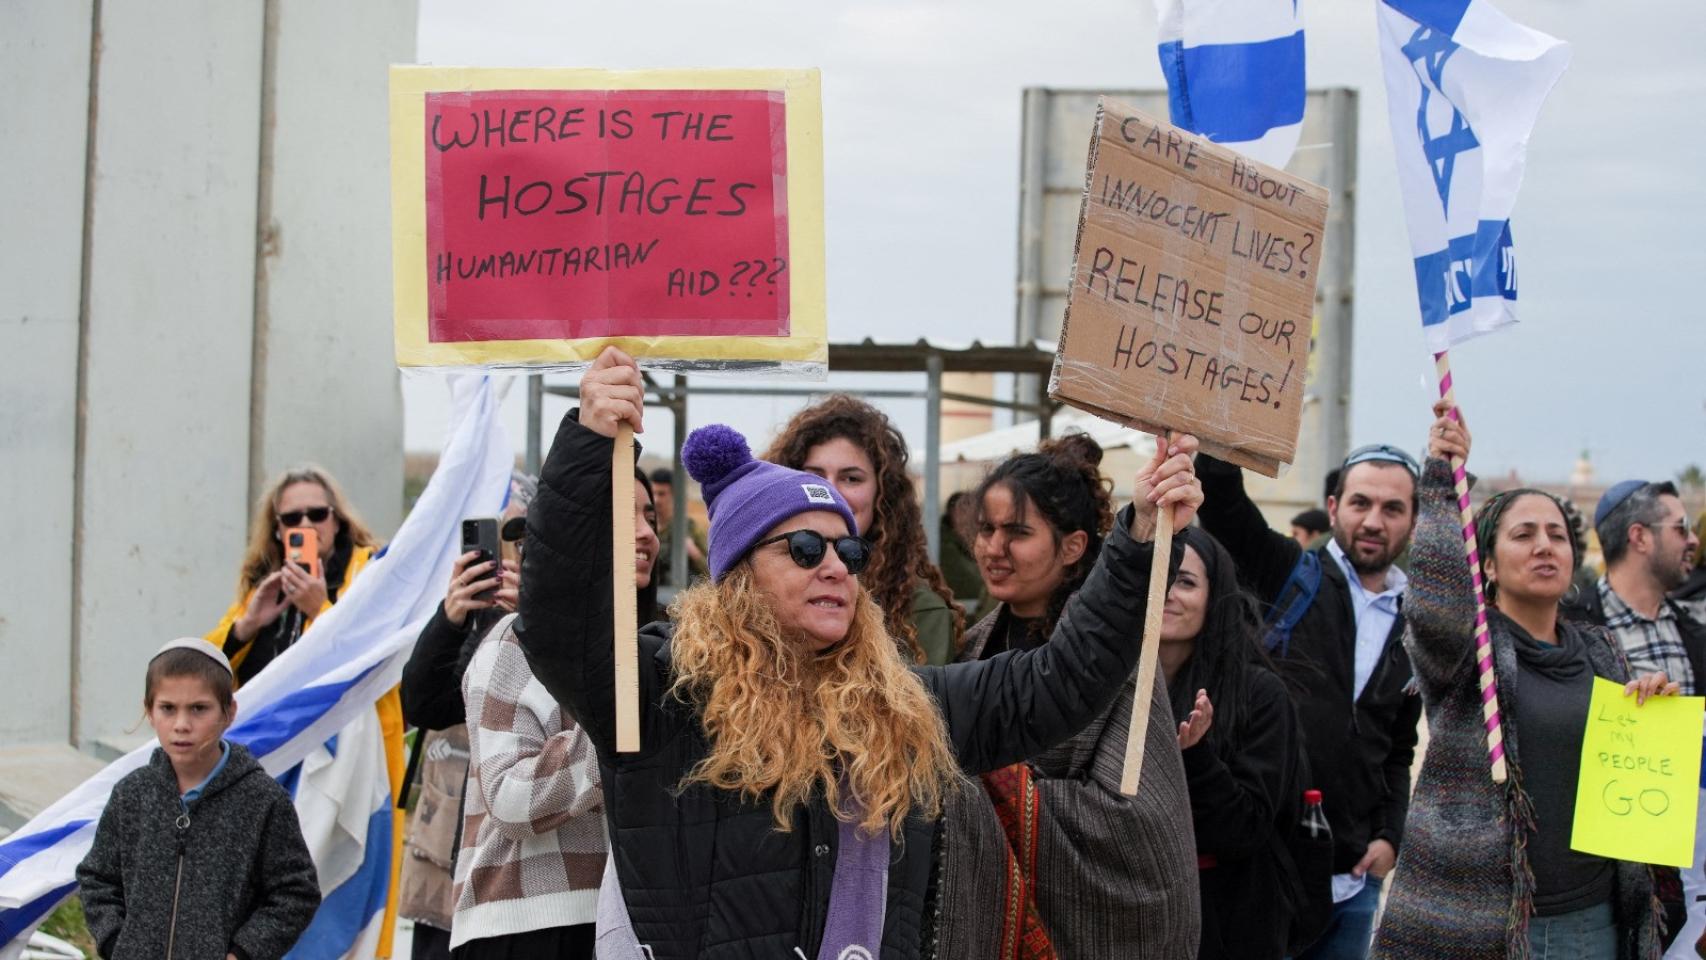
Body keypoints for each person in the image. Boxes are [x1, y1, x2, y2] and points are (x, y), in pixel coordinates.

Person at [514, 347, 1203, 960]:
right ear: (740, 577)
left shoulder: (903, 708)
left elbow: (1060, 681)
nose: (837, 568)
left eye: (847, 550)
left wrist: (1140, 538)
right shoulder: (663, 694)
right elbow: (558, 621)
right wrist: (590, 440)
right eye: (806, 549)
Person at [1372, 403, 1669, 959]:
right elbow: (1433, 603)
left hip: (1598, 924)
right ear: (1485, 564)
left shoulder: (1603, 651)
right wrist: (1442, 476)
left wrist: (1649, 709)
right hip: (1487, 929)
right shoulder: (1468, 651)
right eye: (1523, 534)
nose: (1544, 546)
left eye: (1557, 535)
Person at [940, 433, 1201, 957]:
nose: (993, 548)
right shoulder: (968, 647)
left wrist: (995, 788)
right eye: (986, 530)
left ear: (1073, 546)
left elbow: (1136, 822)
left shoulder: (1120, 663)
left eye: (1017, 532)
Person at [1197, 444, 1424, 960]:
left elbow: (1398, 748)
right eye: (1360, 503)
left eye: (1392, 509)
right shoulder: (1291, 575)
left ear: (1413, 522)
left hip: (1356, 883)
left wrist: (1390, 835)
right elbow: (1226, 505)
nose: (1373, 520)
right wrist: (1218, 428)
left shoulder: (1417, 620)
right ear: (1333, 505)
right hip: (1272, 871)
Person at [449, 465, 660, 959]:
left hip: (626, 918)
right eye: (623, 514)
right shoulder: (516, 642)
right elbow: (509, 798)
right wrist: (621, 731)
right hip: (526, 924)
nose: (647, 533)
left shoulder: (649, 646)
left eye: (650, 516)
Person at [202, 466, 405, 956]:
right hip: (269, 773)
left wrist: (323, 608)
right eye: (292, 517)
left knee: (334, 893)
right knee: (264, 901)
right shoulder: (261, 584)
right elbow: (204, 671)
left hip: (350, 766)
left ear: (337, 519)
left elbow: (379, 653)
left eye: (318, 513)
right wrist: (248, 625)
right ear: (275, 528)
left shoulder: (371, 570)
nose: (307, 526)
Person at [77, 638, 320, 959]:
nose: (181, 725)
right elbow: (96, 878)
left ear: (229, 712)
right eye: (168, 708)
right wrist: (116, 943)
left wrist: (244, 952)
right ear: (149, 711)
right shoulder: (131, 794)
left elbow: (296, 893)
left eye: (199, 709)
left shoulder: (263, 800)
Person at [397, 473, 534, 960]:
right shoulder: (463, 622)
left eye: (516, 538)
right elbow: (422, 703)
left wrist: (533, 619)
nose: (501, 558)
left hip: (517, 868)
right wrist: (451, 617)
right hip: (447, 858)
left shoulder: (555, 620)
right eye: (489, 544)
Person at [1160, 527, 1309, 960]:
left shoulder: (1260, 694)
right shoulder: (1112, 686)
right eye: (1159, 576)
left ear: (1215, 594)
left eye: (1185, 581)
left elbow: (1244, 830)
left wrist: (1195, 756)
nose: (1168, 591)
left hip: (1227, 926)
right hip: (1131, 917)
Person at [763, 394, 964, 664]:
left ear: (883, 494)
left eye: (851, 478)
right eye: (815, 476)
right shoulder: (754, 587)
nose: (830, 491)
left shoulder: (919, 614)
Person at [1563, 479, 1705, 694]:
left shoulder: (1695, 631)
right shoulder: (1565, 628)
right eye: (1682, 528)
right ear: (1640, 537)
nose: (1694, 540)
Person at [649, 467, 709, 583]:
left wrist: (694, 553)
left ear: (674, 495)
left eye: (662, 494)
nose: (656, 500)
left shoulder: (690, 528)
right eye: (653, 493)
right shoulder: (644, 528)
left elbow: (714, 572)